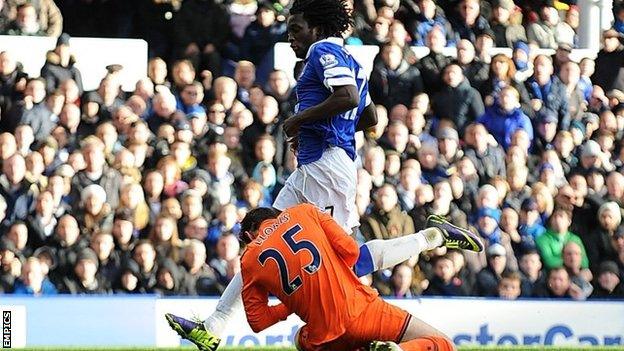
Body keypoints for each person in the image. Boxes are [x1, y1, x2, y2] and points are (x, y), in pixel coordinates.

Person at [167, 204, 483, 350]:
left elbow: (259, 321)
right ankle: (432, 238)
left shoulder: (249, 259)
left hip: (320, 333)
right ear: (278, 216)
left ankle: (214, 326)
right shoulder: (303, 212)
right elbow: (351, 253)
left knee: (298, 340)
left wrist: (293, 300)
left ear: (250, 234)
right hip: (362, 309)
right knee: (442, 345)